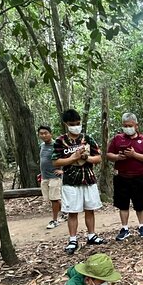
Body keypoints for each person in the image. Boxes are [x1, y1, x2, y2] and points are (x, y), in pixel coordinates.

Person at [52, 109, 105, 255]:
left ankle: (91, 235)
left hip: (88, 179)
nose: (76, 126)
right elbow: (56, 161)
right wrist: (74, 158)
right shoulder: (60, 141)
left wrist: (86, 158)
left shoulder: (87, 138)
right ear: (66, 124)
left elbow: (98, 158)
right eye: (72, 124)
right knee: (72, 211)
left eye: (78, 123)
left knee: (90, 209)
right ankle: (73, 240)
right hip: (70, 181)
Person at [106, 113, 143, 240]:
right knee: (123, 204)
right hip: (121, 177)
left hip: (138, 177)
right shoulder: (117, 139)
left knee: (139, 204)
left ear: (136, 125)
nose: (127, 128)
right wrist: (117, 157)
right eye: (125, 126)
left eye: (130, 125)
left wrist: (134, 154)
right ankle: (125, 228)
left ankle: (142, 226)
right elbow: (109, 154)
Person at [38, 125, 63, 229]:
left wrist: (62, 170)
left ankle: (55, 220)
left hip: (55, 176)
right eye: (41, 133)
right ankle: (66, 212)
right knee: (51, 199)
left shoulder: (56, 145)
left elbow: (66, 157)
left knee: (54, 199)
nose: (44, 135)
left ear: (50, 133)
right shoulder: (42, 146)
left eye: (46, 133)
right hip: (45, 176)